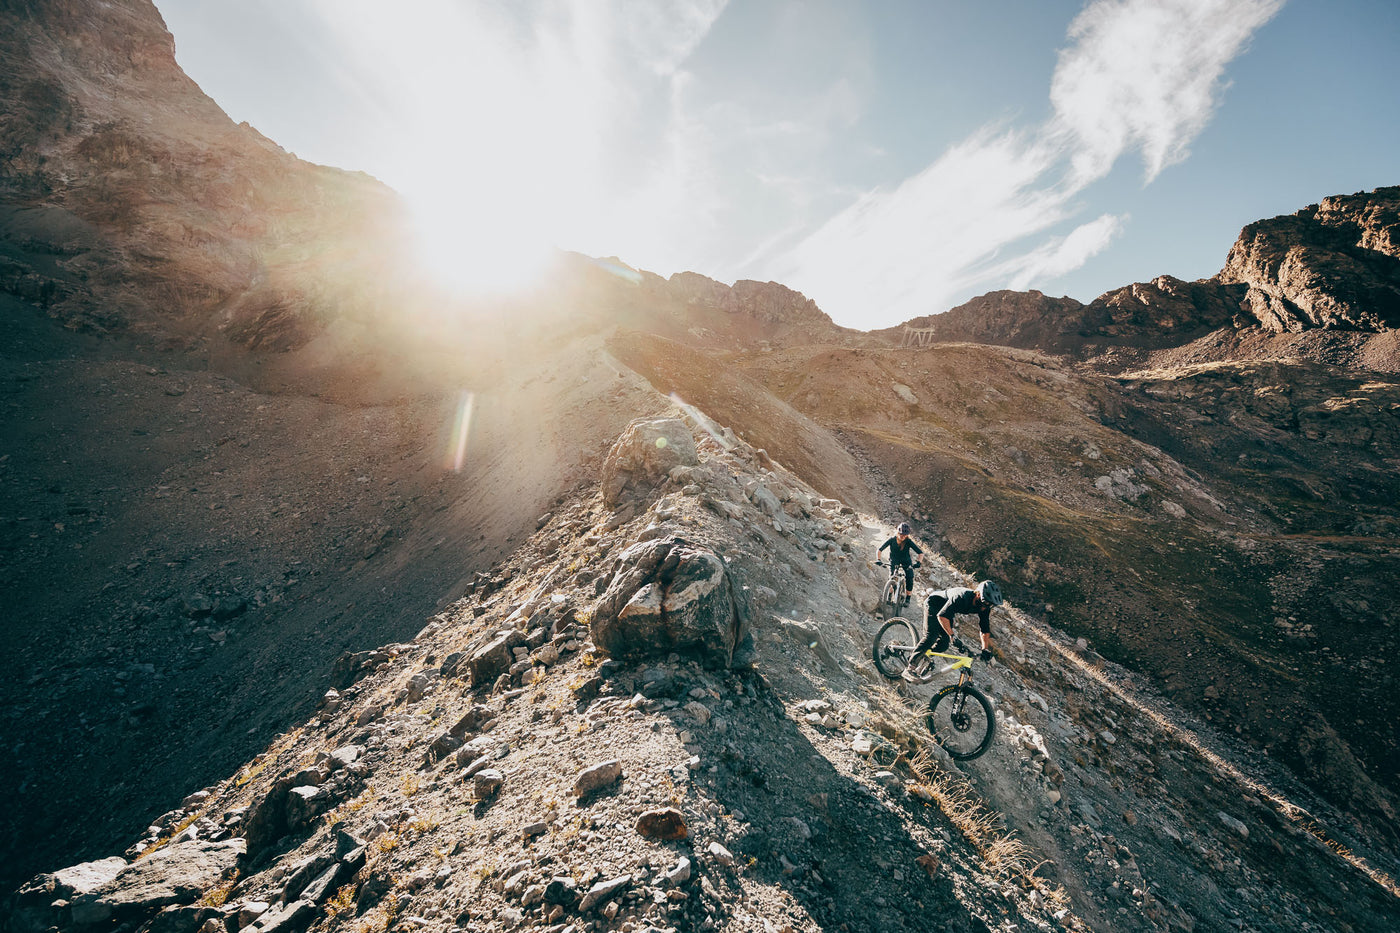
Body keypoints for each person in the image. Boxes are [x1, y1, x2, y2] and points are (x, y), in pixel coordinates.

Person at [902, 580, 1003, 683]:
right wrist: (952, 636)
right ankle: (910, 667)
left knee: (944, 644)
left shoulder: (985, 607)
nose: (984, 607)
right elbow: (942, 616)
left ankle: (924, 655)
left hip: (947, 611)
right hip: (934, 605)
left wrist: (985, 649)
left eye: (989, 605)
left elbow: (984, 629)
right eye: (984, 602)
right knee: (931, 636)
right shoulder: (961, 597)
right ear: (977, 594)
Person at [876, 522, 922, 604]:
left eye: (905, 535)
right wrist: (878, 560)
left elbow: (920, 553)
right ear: (897, 533)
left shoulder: (908, 541)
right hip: (894, 560)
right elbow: (879, 550)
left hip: (906, 560)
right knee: (892, 577)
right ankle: (889, 595)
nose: (903, 537)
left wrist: (918, 563)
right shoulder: (892, 539)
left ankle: (908, 598)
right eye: (901, 534)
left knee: (909, 578)